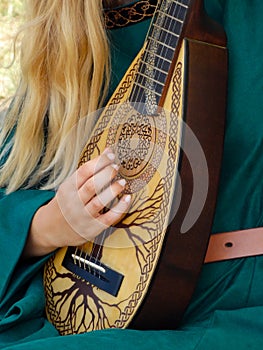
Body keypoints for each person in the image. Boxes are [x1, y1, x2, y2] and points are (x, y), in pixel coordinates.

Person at [0, 0, 263, 349]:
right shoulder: (67, 34)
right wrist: (50, 225)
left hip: (235, 307)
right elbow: (17, 177)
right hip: (92, 300)